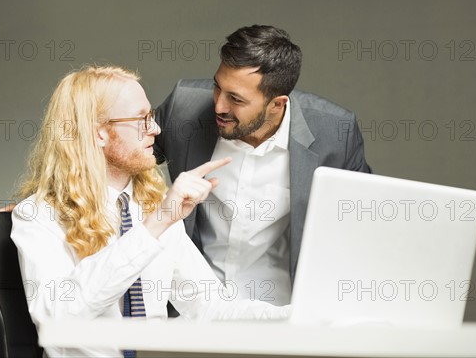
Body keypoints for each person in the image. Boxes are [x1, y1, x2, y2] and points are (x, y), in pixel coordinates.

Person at [10, 66, 289, 358]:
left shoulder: (153, 206)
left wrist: (297, 316)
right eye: (141, 119)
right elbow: (57, 317)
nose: (155, 129)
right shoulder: (38, 216)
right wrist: (155, 226)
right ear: (99, 133)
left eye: (151, 117)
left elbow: (211, 308)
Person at [154, 25, 371, 306]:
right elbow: (119, 156)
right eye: (217, 87)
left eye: (236, 99)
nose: (219, 106)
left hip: (281, 315)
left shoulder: (335, 133)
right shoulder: (183, 108)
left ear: (277, 104)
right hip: (191, 311)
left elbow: (362, 229)